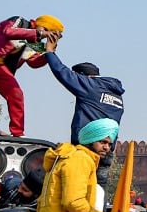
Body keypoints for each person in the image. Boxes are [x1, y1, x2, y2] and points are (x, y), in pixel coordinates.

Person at [0, 15, 63, 137]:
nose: (48, 35)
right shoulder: (19, 22)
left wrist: (49, 51)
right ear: (43, 26)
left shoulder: (35, 42)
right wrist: (39, 33)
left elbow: (34, 62)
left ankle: (18, 133)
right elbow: (8, 32)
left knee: (16, 94)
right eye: (49, 31)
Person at [45, 56, 125, 187]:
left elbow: (61, 72)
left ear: (83, 77)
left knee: (76, 188)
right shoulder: (116, 94)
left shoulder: (91, 86)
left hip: (88, 150)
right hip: (106, 151)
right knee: (98, 191)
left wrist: (49, 53)